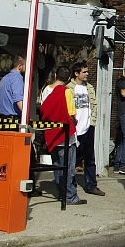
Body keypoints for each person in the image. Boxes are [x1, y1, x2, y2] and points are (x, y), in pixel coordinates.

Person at [40, 64, 85, 205]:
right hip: (65, 136)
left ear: (55, 76)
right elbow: (71, 114)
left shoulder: (46, 90)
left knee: (57, 165)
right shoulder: (66, 92)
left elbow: (43, 110)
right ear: (68, 79)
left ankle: (60, 193)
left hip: (51, 134)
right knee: (68, 167)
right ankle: (70, 196)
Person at [72, 61, 104, 196]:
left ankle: (91, 185)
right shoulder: (69, 88)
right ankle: (69, 186)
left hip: (87, 128)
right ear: (76, 74)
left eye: (87, 71)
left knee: (90, 158)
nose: (87, 74)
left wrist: (92, 123)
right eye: (84, 72)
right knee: (72, 159)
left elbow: (94, 106)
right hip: (74, 129)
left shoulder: (89, 87)